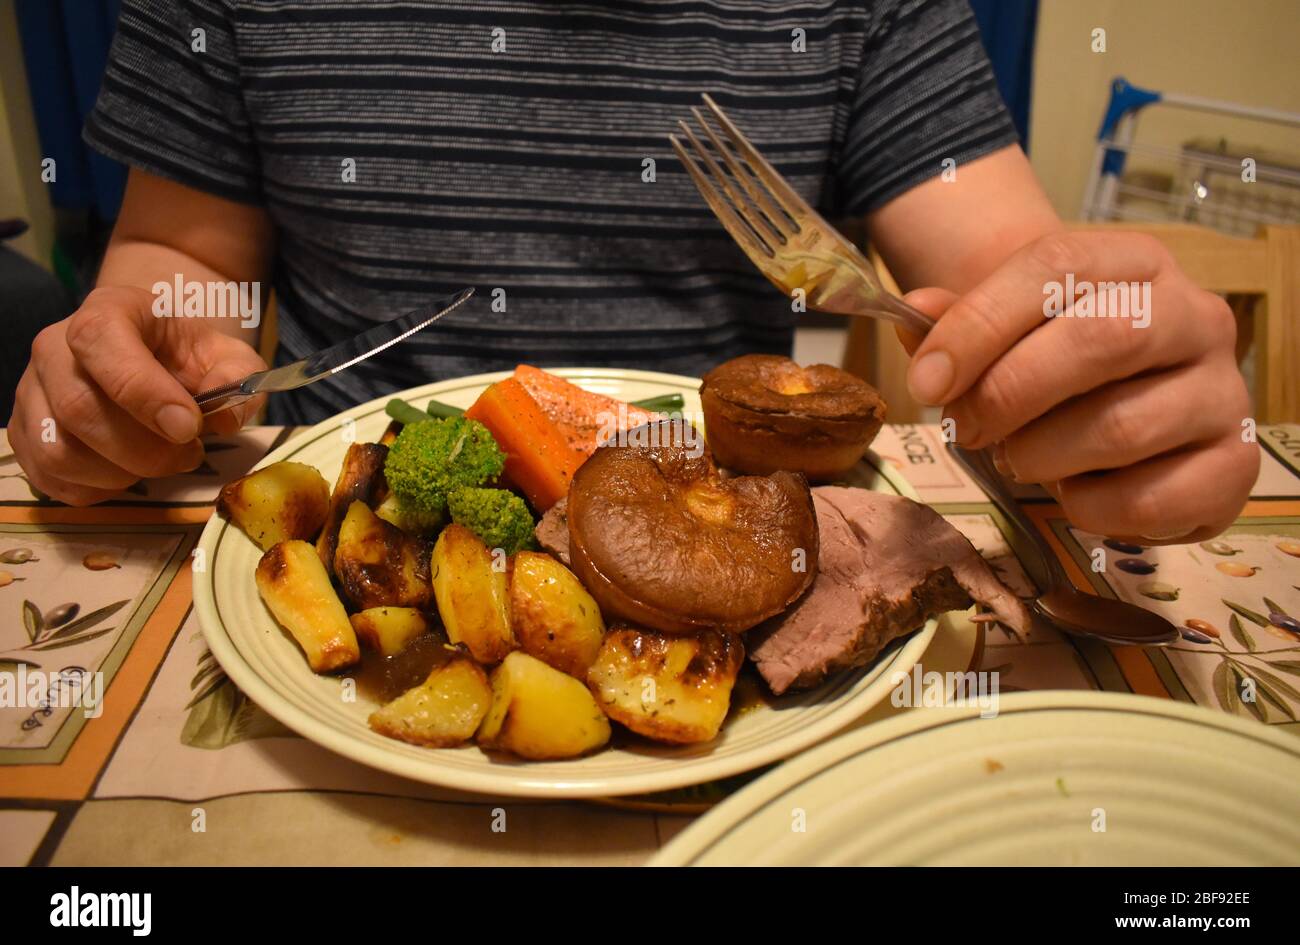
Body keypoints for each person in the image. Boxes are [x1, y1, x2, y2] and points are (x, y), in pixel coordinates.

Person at [9, 0, 1257, 543]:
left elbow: (1008, 274)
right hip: (358, 516)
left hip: (723, 525)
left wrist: (1108, 364)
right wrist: (139, 333)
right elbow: (183, 262)